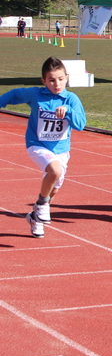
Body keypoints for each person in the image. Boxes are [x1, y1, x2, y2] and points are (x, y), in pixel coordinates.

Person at [0, 57, 86, 237]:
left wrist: (68, 111)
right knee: (54, 172)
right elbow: (14, 95)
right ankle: (41, 205)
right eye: (52, 80)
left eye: (61, 79)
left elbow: (80, 125)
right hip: (37, 145)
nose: (57, 84)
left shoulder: (71, 99)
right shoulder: (35, 95)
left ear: (66, 78)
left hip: (61, 150)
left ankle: (35, 218)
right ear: (44, 81)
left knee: (53, 186)